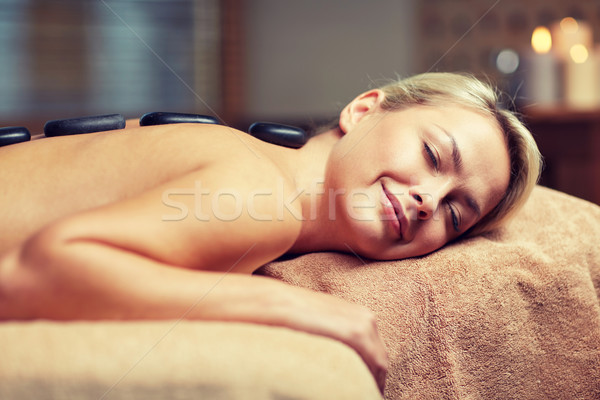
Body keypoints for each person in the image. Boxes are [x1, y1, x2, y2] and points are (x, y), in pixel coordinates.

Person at [0, 72, 541, 392]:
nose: (429, 199)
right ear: (364, 109)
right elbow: (36, 273)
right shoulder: (264, 193)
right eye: (431, 154)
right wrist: (298, 308)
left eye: (456, 214)